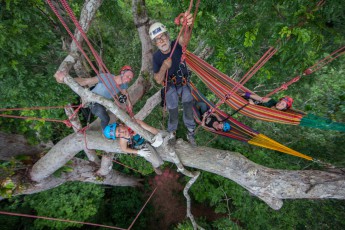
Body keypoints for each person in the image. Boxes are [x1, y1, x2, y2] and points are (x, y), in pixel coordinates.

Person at [149, 12, 196, 146]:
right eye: (158, 39)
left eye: (162, 37)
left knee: (187, 103)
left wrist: (187, 25)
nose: (161, 41)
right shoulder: (157, 57)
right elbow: (158, 79)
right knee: (173, 108)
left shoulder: (177, 45)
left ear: (167, 36)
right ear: (155, 43)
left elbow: (185, 38)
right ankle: (171, 133)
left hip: (183, 82)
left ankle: (191, 131)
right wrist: (164, 66)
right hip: (170, 85)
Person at [55, 66, 134, 130]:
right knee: (105, 118)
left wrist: (129, 104)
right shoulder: (107, 77)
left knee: (107, 114)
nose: (128, 79)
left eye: (130, 78)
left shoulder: (124, 84)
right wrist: (66, 80)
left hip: (103, 103)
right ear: (122, 73)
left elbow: (125, 93)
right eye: (128, 76)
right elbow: (86, 81)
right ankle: (105, 133)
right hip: (92, 101)